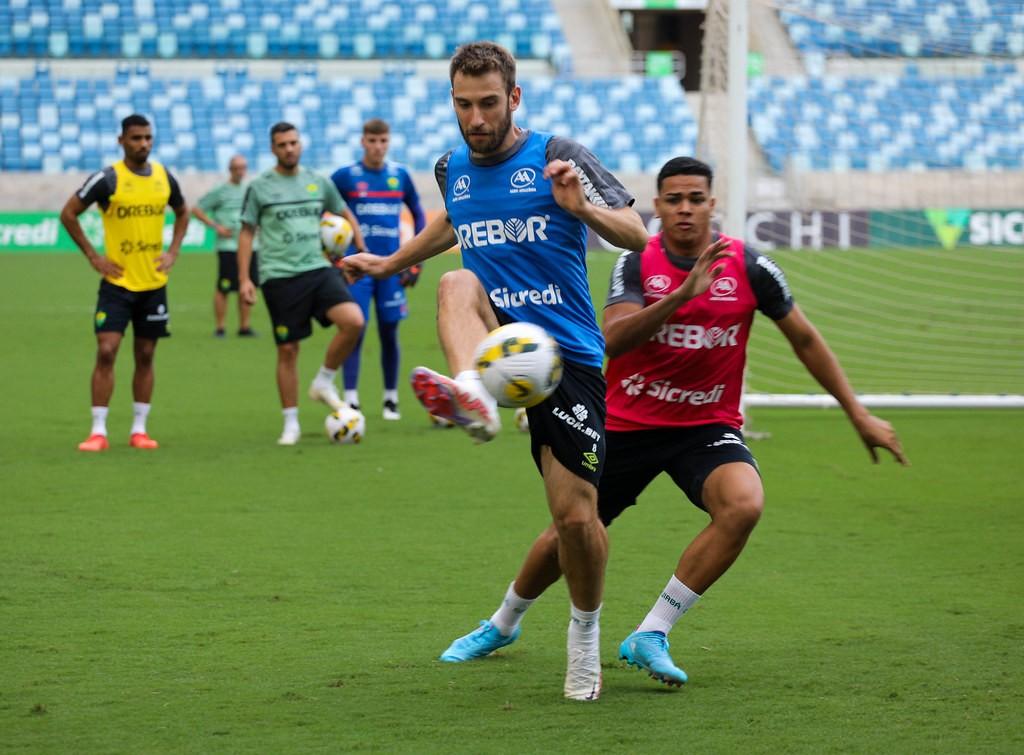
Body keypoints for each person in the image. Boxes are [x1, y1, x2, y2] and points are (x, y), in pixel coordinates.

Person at [435, 156, 909, 690]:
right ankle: (503, 623)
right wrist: (681, 297)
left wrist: (858, 412)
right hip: (626, 422)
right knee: (571, 532)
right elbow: (610, 339)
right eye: (674, 199)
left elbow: (803, 339)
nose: (685, 209)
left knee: (744, 504)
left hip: (704, 427)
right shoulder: (636, 264)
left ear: (712, 204)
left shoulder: (749, 266)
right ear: (657, 206)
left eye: (696, 199)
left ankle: (652, 632)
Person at [345, 42, 648, 701]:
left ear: (514, 98)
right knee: (456, 281)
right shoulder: (450, 165)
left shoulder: (556, 154)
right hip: (500, 344)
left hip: (567, 358)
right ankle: (470, 392)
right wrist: (387, 263)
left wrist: (583, 210)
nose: (476, 118)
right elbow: (451, 223)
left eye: (488, 103)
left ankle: (584, 636)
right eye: (463, 105)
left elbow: (637, 232)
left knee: (576, 521)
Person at [61, 113, 189, 452]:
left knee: (146, 354)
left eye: (148, 137)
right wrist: (93, 256)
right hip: (117, 283)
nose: (143, 144)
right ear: (122, 141)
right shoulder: (108, 179)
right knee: (107, 350)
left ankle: (139, 429)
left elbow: (183, 211)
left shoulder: (164, 177)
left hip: (153, 283)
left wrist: (173, 251)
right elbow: (68, 212)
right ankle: (98, 431)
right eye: (136, 138)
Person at [237, 122, 366, 445]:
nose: (289, 149)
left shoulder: (317, 181)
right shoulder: (260, 187)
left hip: (318, 269)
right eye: (282, 144)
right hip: (279, 276)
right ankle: (290, 423)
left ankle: (323, 381)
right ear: (273, 149)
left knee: (353, 321)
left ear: (300, 145)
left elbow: (343, 212)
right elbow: (247, 232)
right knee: (288, 350)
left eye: (293, 143)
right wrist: (244, 279)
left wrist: (361, 253)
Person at [330, 118, 427, 419]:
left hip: (391, 267)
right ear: (362, 142)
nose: (378, 146)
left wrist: (416, 261)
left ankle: (390, 399)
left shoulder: (400, 175)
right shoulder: (346, 177)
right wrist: (334, 255)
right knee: (354, 329)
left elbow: (420, 215)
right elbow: (324, 207)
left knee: (389, 331)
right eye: (372, 141)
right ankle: (351, 398)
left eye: (383, 140)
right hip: (356, 268)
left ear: (389, 142)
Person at [192, 154, 259, 337]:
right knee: (224, 287)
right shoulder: (220, 190)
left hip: (250, 246)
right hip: (228, 246)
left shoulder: (251, 189)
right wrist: (216, 227)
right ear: (230, 169)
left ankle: (244, 326)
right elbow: (197, 209)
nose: (240, 171)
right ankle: (220, 326)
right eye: (236, 168)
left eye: (243, 167)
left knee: (247, 284)